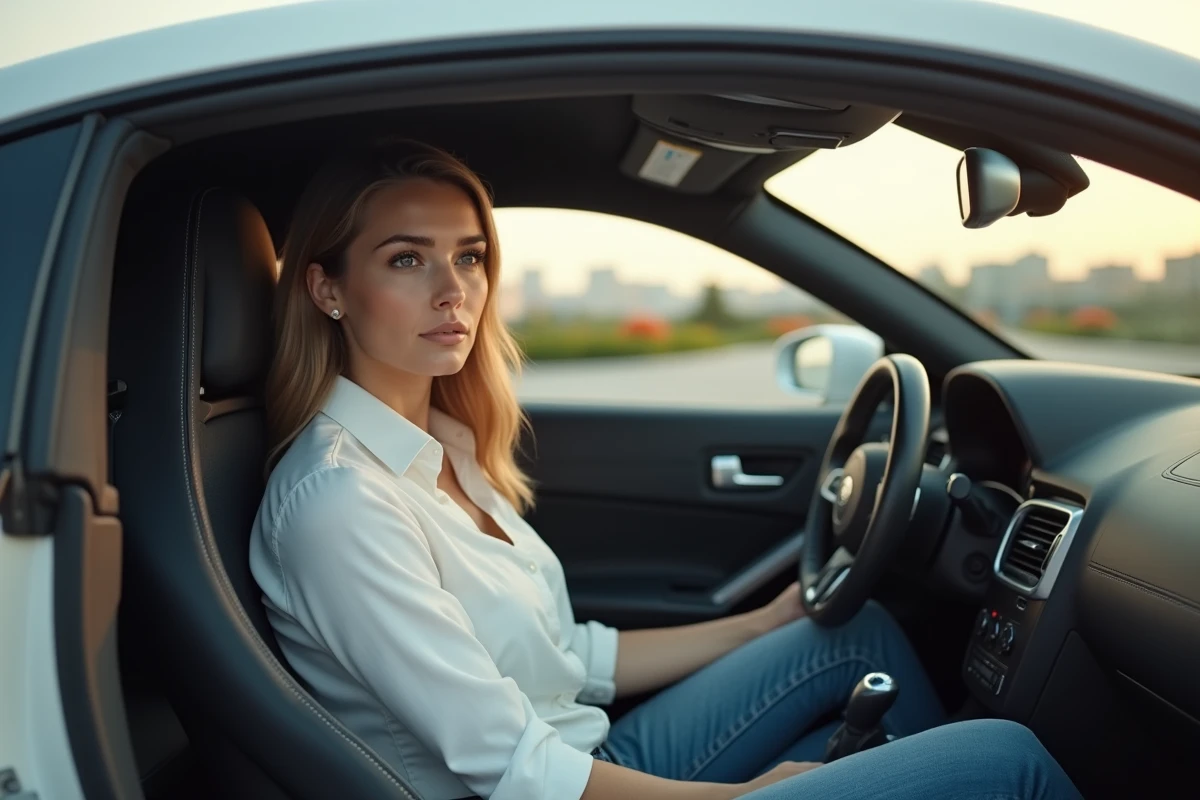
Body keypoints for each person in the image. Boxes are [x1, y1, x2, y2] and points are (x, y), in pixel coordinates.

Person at [248, 138, 1081, 800]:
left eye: (468, 257)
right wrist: (747, 795)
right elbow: (514, 770)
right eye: (406, 259)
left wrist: (763, 622)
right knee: (1005, 760)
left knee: (846, 630)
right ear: (327, 290)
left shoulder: (448, 445)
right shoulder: (340, 503)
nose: (453, 291)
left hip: (589, 748)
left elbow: (566, 656)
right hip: (548, 789)